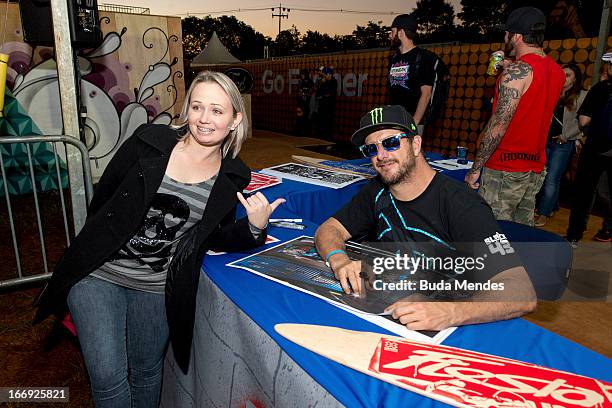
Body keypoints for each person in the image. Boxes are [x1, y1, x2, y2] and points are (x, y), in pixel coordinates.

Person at [33, 71, 283, 407]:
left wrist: (254, 227)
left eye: (217, 110)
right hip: (98, 275)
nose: (204, 119)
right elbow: (104, 200)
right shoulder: (148, 142)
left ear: (236, 119)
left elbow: (215, 236)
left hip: (157, 288)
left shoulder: (234, 174)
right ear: (187, 110)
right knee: (108, 377)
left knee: (148, 370)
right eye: (197, 107)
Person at [314, 105, 536, 331]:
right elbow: (329, 229)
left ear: (416, 144)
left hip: (456, 326)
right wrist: (339, 260)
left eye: (391, 142)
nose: (381, 155)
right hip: (393, 309)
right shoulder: (376, 190)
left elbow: (521, 291)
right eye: (371, 148)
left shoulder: (462, 205)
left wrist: (450, 312)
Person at [464, 7, 565, 226]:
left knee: (493, 235)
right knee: (521, 234)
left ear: (517, 36)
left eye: (507, 33)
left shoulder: (516, 73)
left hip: (505, 168)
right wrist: (510, 67)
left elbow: (499, 125)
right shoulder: (556, 71)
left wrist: (475, 168)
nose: (504, 37)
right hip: (535, 167)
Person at [566, 51, 612, 244]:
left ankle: (574, 236)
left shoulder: (600, 89)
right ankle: (608, 228)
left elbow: (584, 120)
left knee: (584, 193)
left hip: (595, 148)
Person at [534, 64, 586, 227]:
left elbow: (583, 122)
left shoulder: (581, 96)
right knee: (543, 177)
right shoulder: (553, 92)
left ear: (575, 78)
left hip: (562, 144)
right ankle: (550, 206)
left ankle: (543, 213)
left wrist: (566, 136)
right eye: (562, 74)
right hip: (545, 141)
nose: (564, 78)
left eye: (568, 75)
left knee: (551, 179)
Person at [387, 13, 435, 134]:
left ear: (401, 33)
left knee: (411, 153)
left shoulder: (423, 57)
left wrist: (413, 124)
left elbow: (426, 94)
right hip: (395, 120)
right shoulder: (394, 58)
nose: (390, 35)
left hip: (413, 123)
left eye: (392, 31)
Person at [314, 66, 338, 139]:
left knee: (328, 121)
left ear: (329, 74)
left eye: (325, 74)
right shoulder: (324, 82)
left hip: (329, 105)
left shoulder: (333, 82)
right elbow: (318, 92)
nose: (323, 75)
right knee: (321, 121)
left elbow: (330, 94)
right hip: (322, 105)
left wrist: (323, 96)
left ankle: (327, 137)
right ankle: (321, 136)